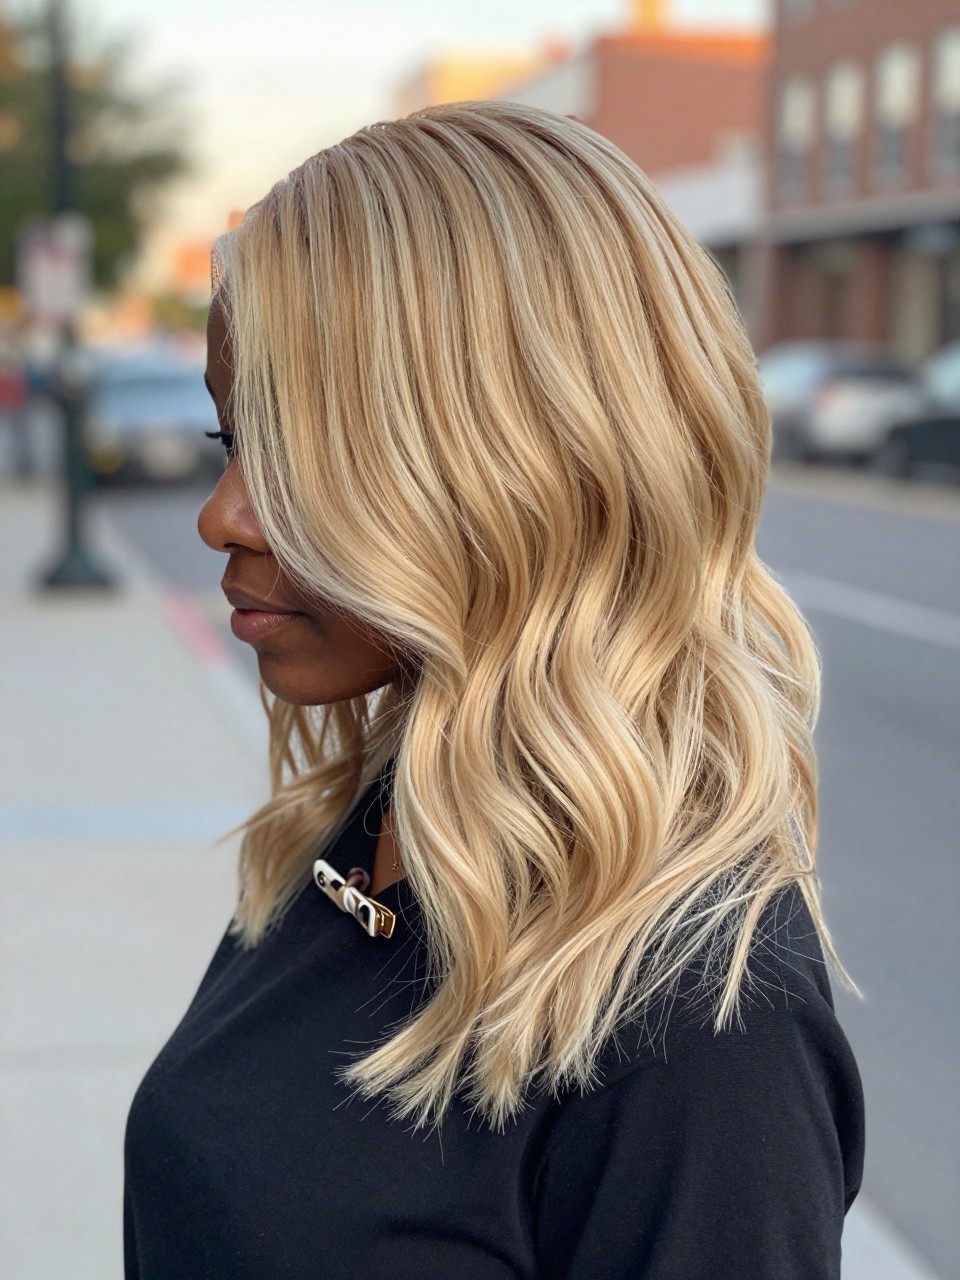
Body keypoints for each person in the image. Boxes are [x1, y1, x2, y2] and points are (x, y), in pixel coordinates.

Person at [123, 100, 864, 1278]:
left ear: (509, 465)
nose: (223, 516)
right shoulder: (370, 832)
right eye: (228, 440)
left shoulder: (694, 1028)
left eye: (299, 455)